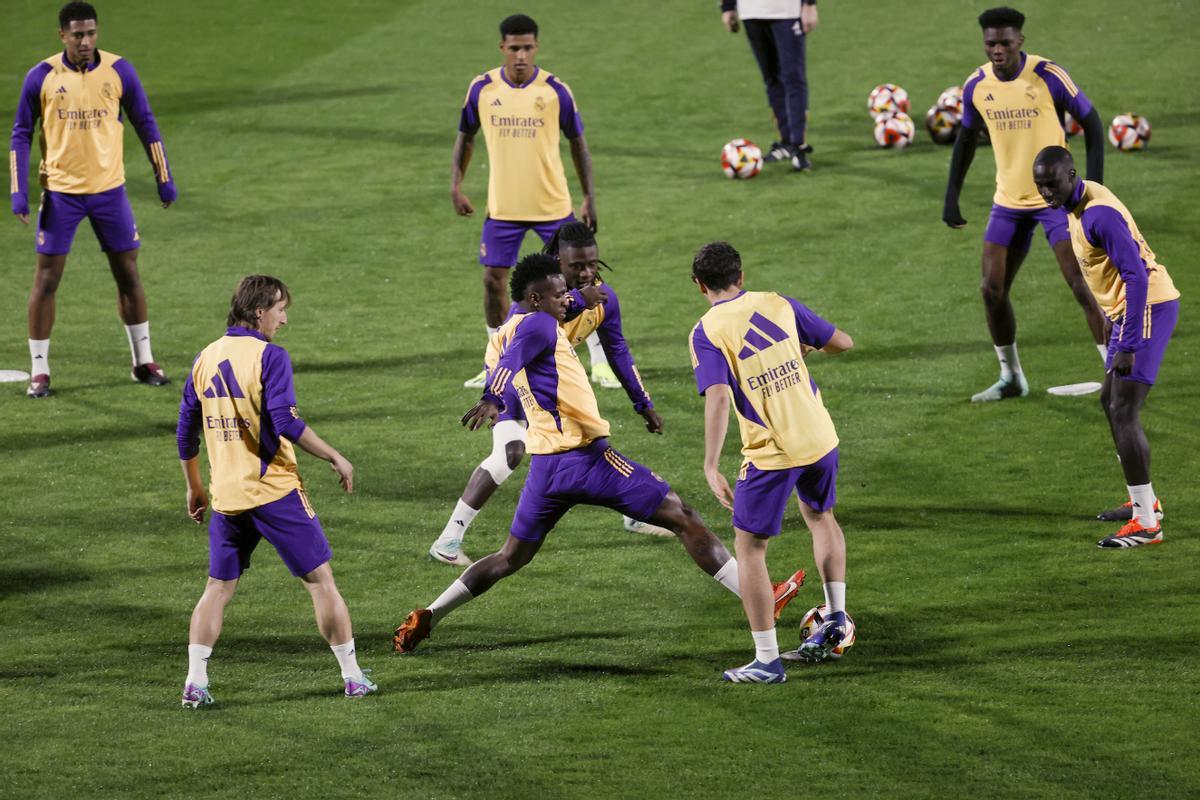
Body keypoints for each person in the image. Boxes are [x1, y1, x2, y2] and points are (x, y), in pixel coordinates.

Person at [394, 254, 805, 657]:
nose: (565, 302)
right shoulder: (538, 323)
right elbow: (511, 362)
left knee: (508, 557)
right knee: (684, 517)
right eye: (558, 296)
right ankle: (761, 596)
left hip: (547, 469)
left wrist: (582, 296)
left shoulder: (506, 329)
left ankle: (430, 614)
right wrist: (490, 397)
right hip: (588, 460)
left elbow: (518, 344)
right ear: (537, 299)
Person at [176, 275, 376, 706]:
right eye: (281, 309)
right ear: (258, 311)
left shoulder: (205, 357)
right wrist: (335, 456)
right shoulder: (270, 357)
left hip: (226, 496)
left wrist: (195, 487)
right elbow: (285, 422)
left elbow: (185, 431)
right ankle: (353, 675)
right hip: (274, 491)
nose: (284, 320)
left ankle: (195, 681)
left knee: (217, 587)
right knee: (321, 583)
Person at [429, 222, 667, 567]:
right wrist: (494, 398)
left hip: (550, 385)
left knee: (589, 434)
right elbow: (516, 348)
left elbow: (617, 351)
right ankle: (449, 539)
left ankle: (632, 511)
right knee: (511, 451)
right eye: (576, 265)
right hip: (511, 376)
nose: (586, 272)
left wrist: (643, 403)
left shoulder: (603, 299)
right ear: (558, 260)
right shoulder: (535, 294)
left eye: (592, 264)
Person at [689, 242, 853, 683]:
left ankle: (767, 660)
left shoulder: (707, 331)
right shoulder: (777, 303)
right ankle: (836, 619)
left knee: (750, 548)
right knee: (821, 516)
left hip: (773, 452)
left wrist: (710, 463)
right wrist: (800, 352)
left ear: (700, 285)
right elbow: (842, 342)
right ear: (741, 276)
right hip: (820, 435)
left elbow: (719, 396)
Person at [9, 2, 177, 398]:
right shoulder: (42, 76)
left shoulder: (119, 71)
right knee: (47, 280)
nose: (85, 42)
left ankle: (142, 361)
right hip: (61, 195)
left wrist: (163, 178)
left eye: (91, 34)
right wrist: (19, 192)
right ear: (62, 36)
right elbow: (20, 133)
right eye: (78, 35)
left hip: (109, 192)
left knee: (128, 275)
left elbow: (145, 122)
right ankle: (40, 371)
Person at [942, 6, 1108, 402]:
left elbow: (1094, 123)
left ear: (1020, 41)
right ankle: (1011, 377)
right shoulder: (976, 86)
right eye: (990, 44)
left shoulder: (1048, 76)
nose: (997, 50)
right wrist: (951, 197)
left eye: (1004, 42)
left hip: (1057, 202)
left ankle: (1116, 373)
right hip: (1008, 202)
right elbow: (966, 141)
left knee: (1082, 285)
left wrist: (1095, 188)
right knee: (990, 289)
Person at [1032, 147, 1179, 548]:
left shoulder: (1098, 215)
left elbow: (1136, 275)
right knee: (1108, 402)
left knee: (1123, 408)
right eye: (1040, 186)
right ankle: (1143, 502)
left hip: (1145, 307)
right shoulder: (1081, 200)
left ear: (1071, 175)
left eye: (1052, 184)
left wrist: (1127, 342)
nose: (1046, 193)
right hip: (1126, 311)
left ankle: (1148, 524)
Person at [452, 14, 600, 389]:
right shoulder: (482, 89)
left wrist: (589, 197)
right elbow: (465, 136)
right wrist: (456, 184)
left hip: (552, 204)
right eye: (514, 47)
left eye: (527, 47)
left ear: (536, 48)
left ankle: (600, 359)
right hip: (503, 207)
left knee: (581, 279)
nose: (521, 55)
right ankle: (496, 360)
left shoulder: (555, 90)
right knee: (492, 281)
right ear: (502, 47)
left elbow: (577, 143)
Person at [719, 0, 818, 171]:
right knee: (772, 79)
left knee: (793, 78)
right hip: (751, 12)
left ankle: (798, 146)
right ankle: (786, 142)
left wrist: (809, 4)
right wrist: (727, 6)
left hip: (787, 11)